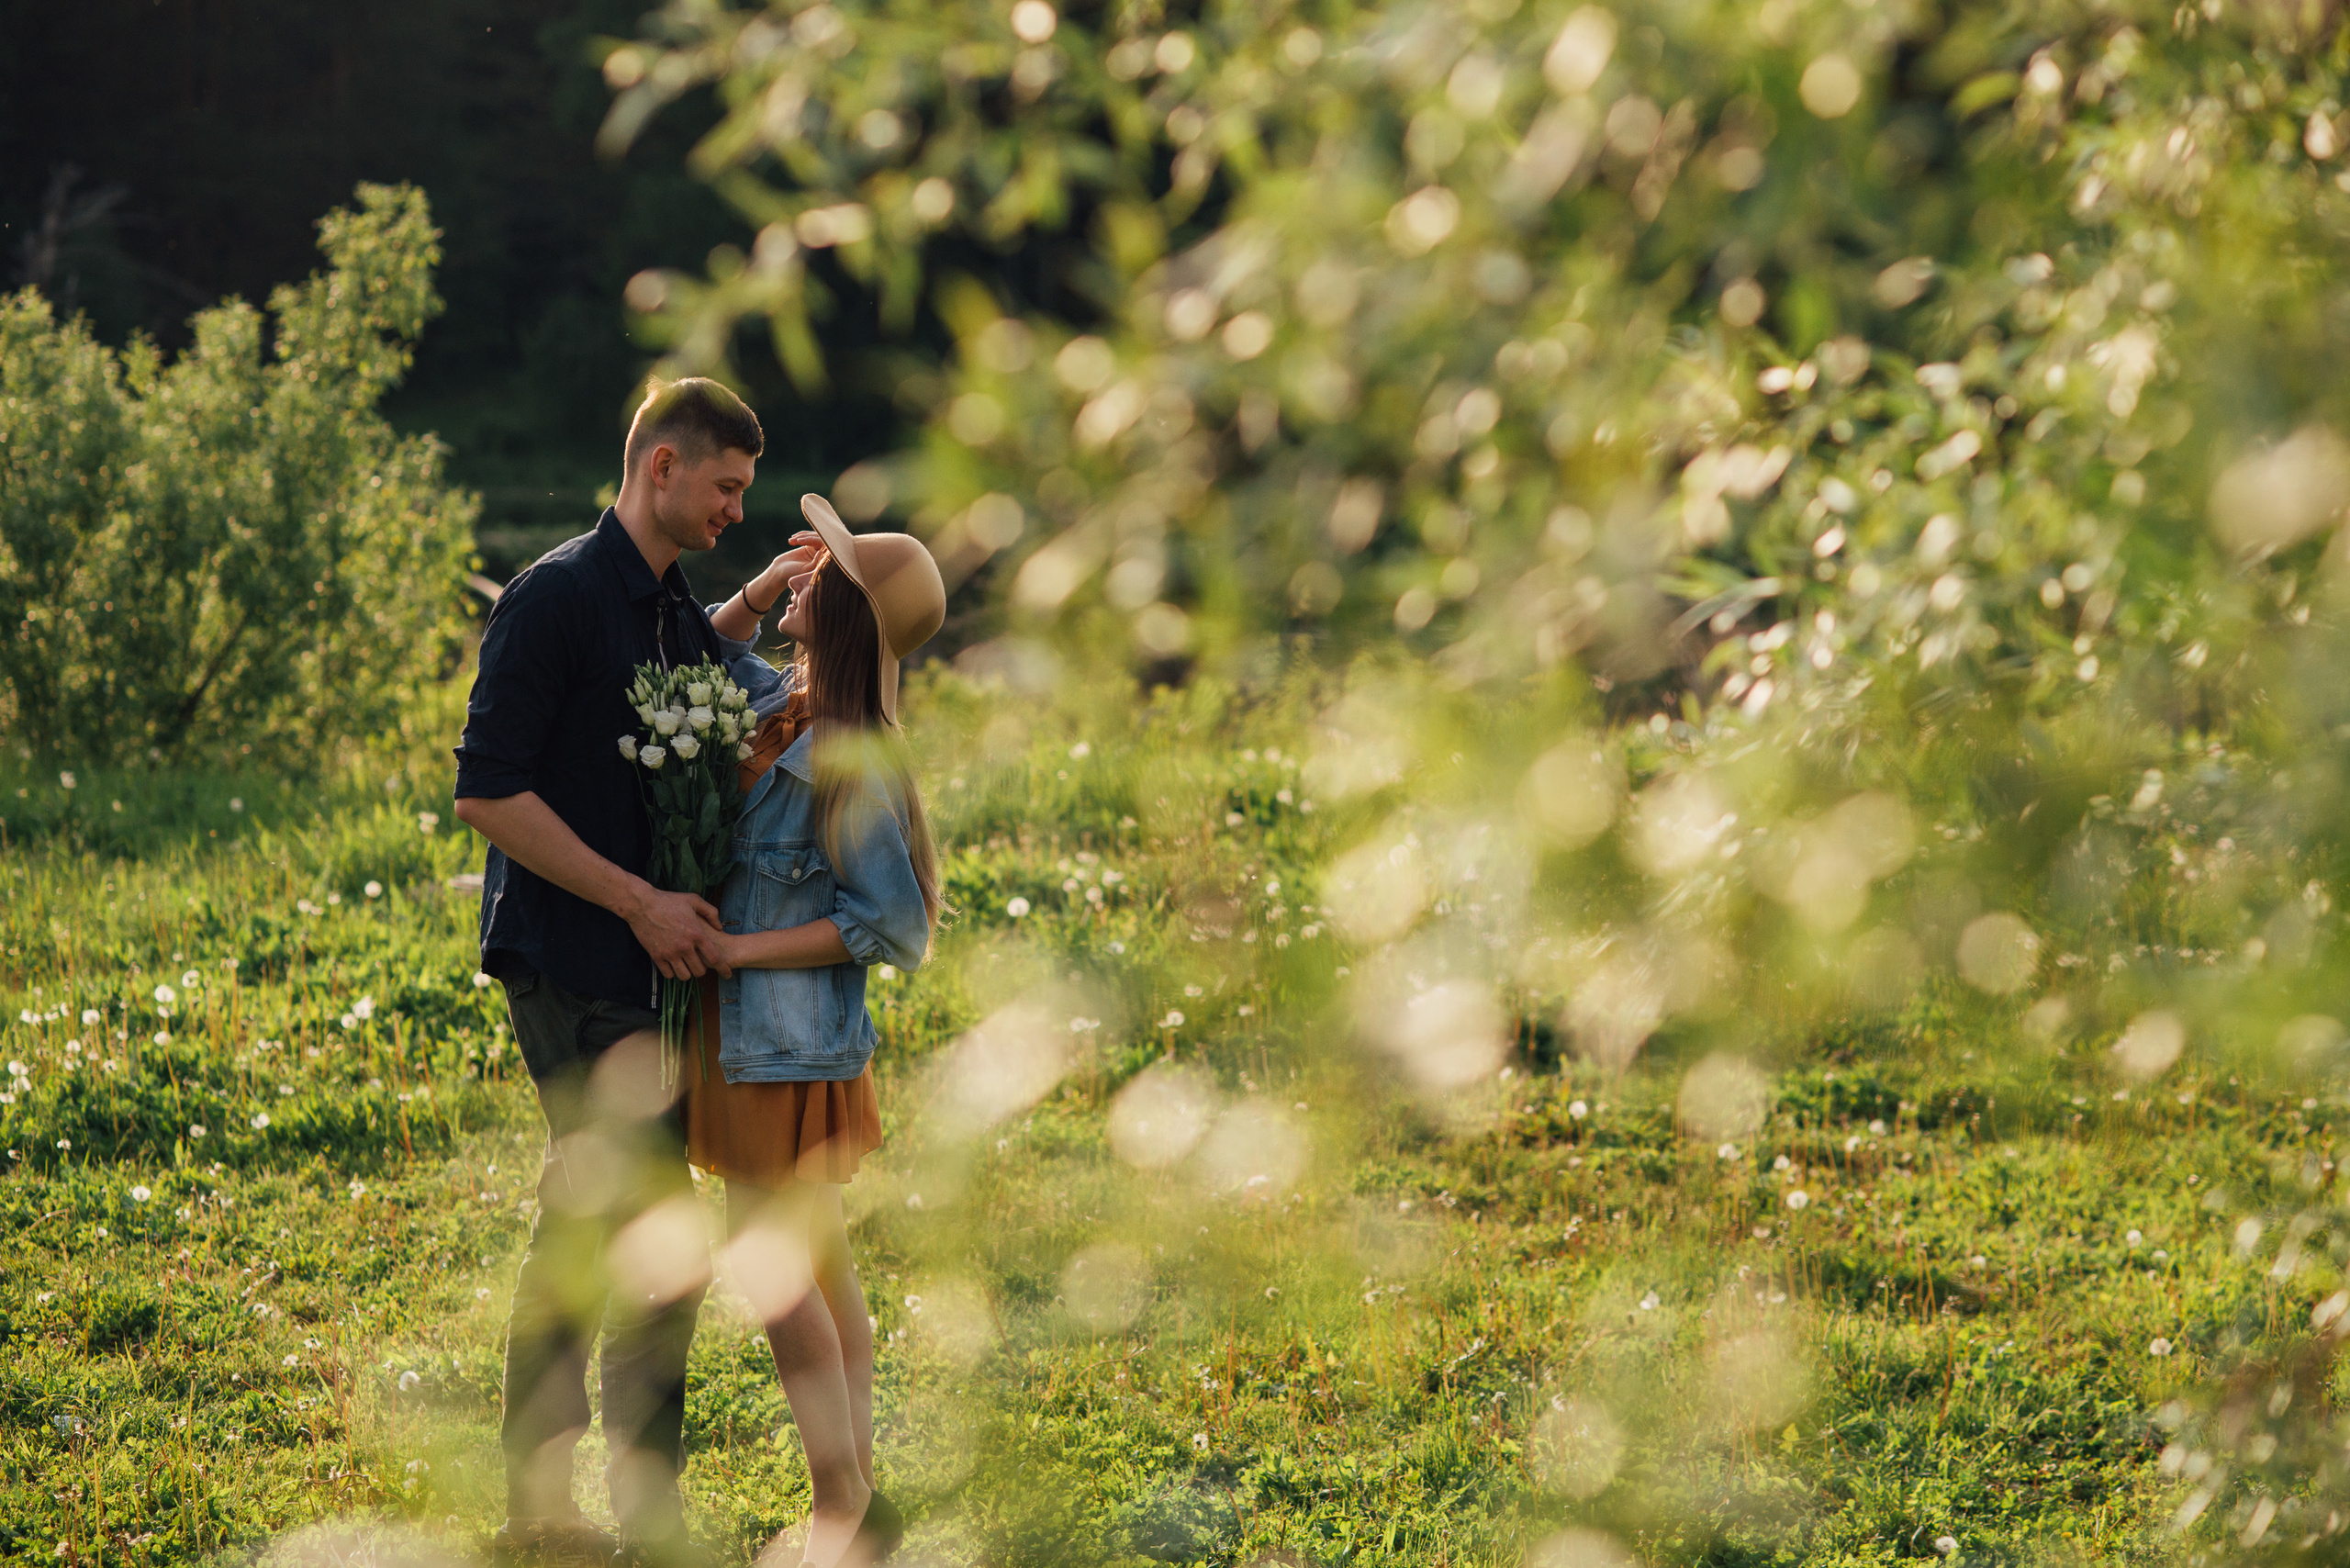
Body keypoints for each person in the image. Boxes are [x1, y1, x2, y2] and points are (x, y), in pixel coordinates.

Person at [453, 376, 759, 1568]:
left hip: (645, 973)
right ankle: (629, 1513)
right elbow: (488, 793)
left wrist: (757, 605)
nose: (737, 509)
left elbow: (689, 671)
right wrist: (638, 900)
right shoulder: (555, 598)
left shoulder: (669, 603)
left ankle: (555, 1505)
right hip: (573, 959)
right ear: (661, 467)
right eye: (724, 486)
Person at [688, 494, 946, 1568]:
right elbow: (697, 650)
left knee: (777, 1265)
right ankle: (856, 1494)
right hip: (764, 1040)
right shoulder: (782, 700)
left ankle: (839, 1501)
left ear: (844, 615)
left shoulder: (853, 757)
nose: (805, 571)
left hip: (782, 1047)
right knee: (820, 1262)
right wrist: (761, 589)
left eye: (824, 572)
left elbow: (893, 925)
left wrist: (742, 951)